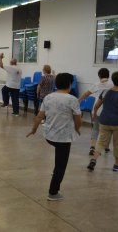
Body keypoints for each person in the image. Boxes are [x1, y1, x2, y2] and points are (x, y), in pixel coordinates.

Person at [27, 73, 81, 201]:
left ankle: (56, 173)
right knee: (60, 166)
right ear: (69, 84)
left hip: (49, 136)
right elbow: (78, 119)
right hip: (63, 139)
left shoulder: (48, 97)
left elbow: (40, 116)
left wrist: (33, 130)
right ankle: (53, 192)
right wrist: (78, 129)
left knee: (58, 162)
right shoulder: (72, 99)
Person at [87, 71, 118, 172]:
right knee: (117, 144)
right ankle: (117, 165)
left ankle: (93, 160)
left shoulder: (105, 92)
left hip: (104, 120)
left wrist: (95, 115)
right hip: (117, 122)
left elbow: (96, 106)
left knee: (101, 142)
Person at [78, 68, 113, 155]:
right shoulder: (113, 84)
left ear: (99, 76)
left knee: (95, 129)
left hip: (97, 109)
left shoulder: (96, 84)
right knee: (108, 129)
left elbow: (86, 94)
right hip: (109, 110)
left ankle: (92, 147)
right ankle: (106, 147)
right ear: (108, 75)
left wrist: (78, 100)